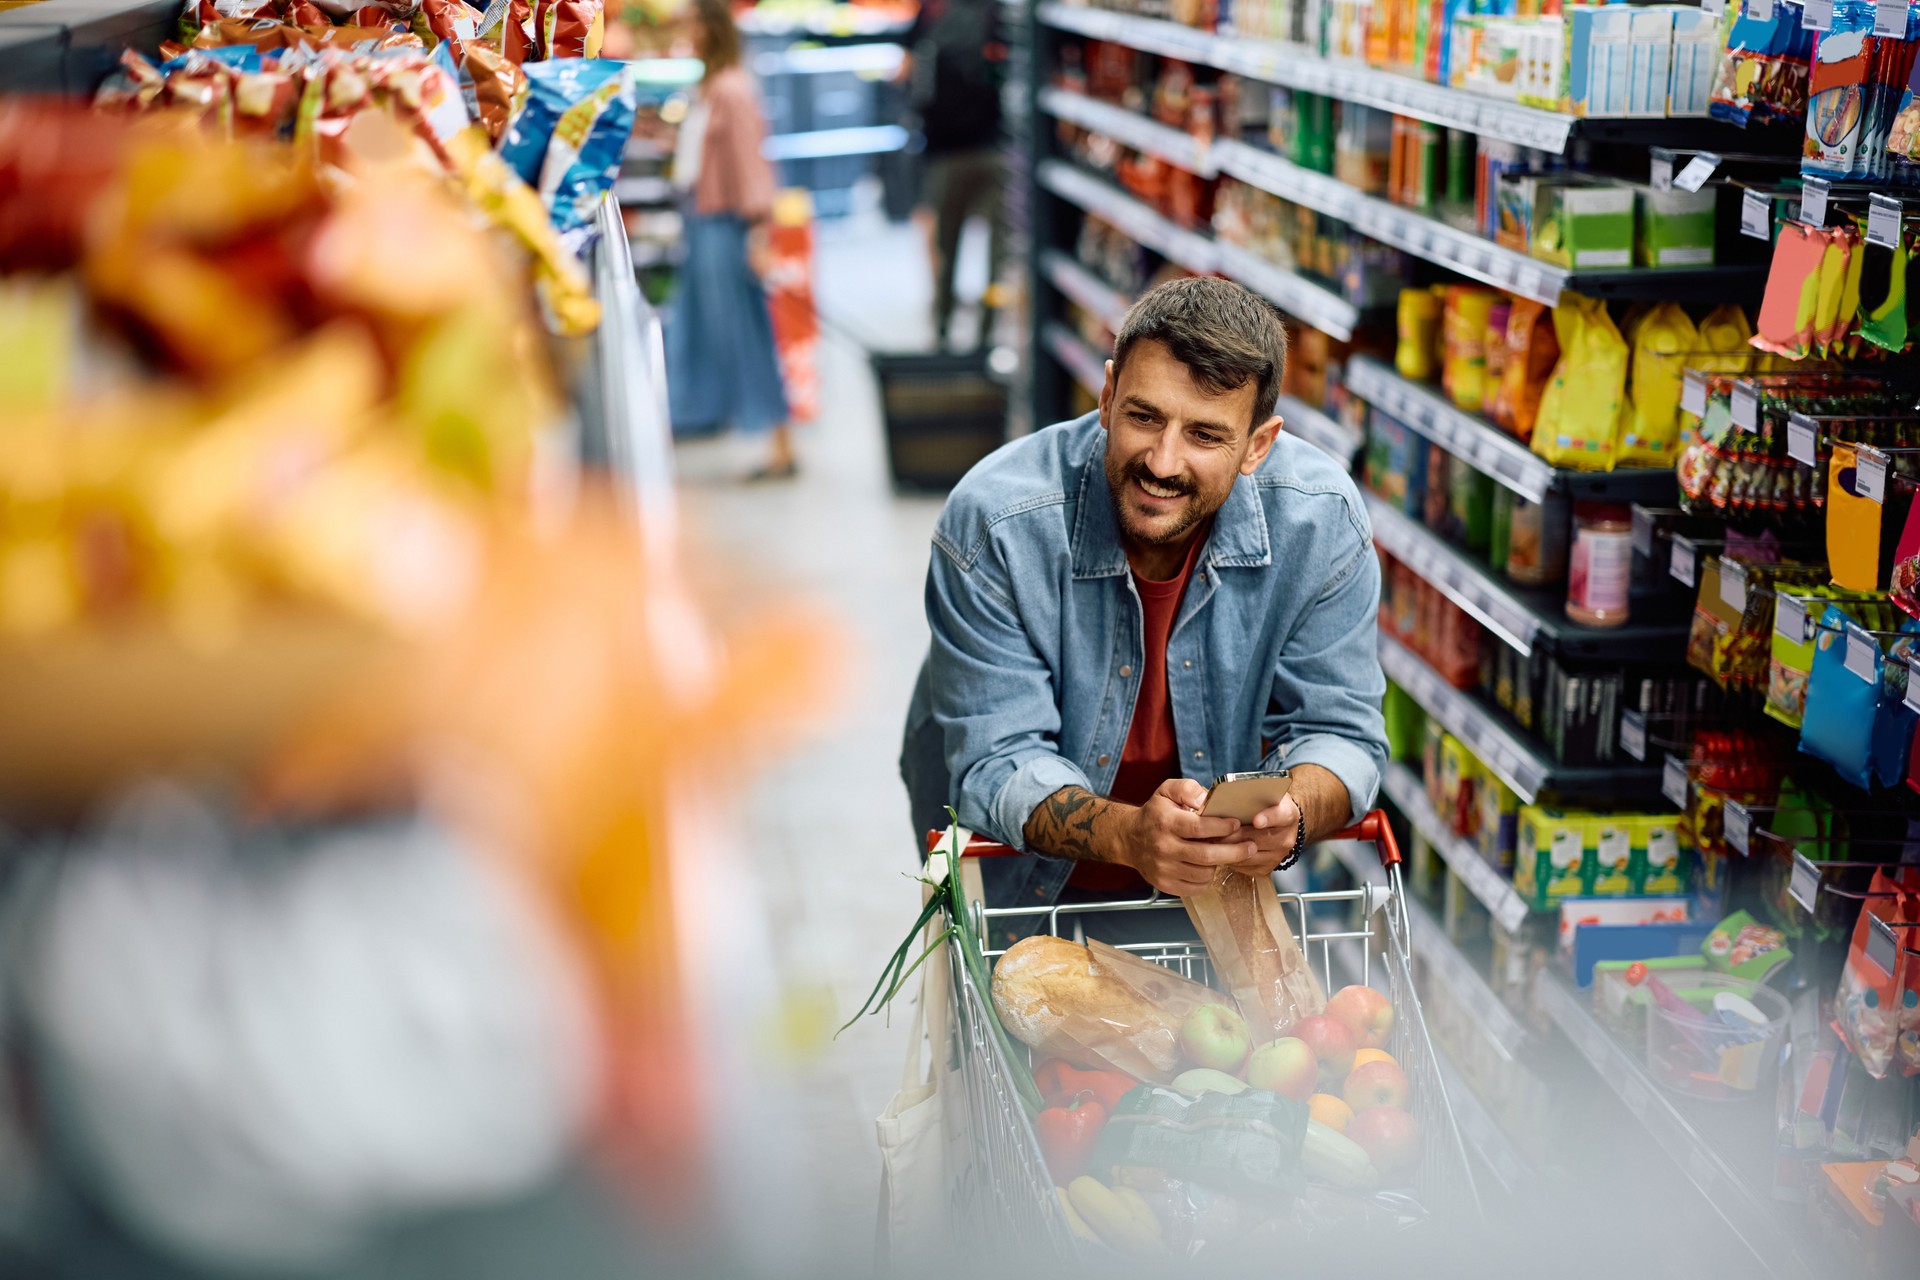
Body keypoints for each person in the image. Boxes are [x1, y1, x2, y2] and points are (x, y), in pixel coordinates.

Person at [899, 278, 1388, 939]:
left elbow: (1342, 731)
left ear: (1258, 445)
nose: (1163, 461)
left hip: (1211, 888)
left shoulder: (1318, 523)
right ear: (1106, 396)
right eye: (1145, 417)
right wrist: (1131, 836)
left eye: (1205, 435)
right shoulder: (998, 525)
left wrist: (1292, 812)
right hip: (1021, 878)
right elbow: (996, 758)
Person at [665, 0, 796, 478]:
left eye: (694, 24)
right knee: (700, 326)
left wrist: (759, 233)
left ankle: (779, 445)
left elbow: (751, 165)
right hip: (703, 223)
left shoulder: (731, 89)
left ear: (711, 28)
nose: (687, 32)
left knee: (743, 329)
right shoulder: (710, 87)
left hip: (726, 226)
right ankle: (693, 415)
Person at [903, 0, 1005, 350]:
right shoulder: (996, 10)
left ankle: (943, 331)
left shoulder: (932, 10)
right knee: (997, 257)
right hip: (994, 148)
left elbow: (907, 69)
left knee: (947, 249)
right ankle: (986, 338)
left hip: (946, 153)